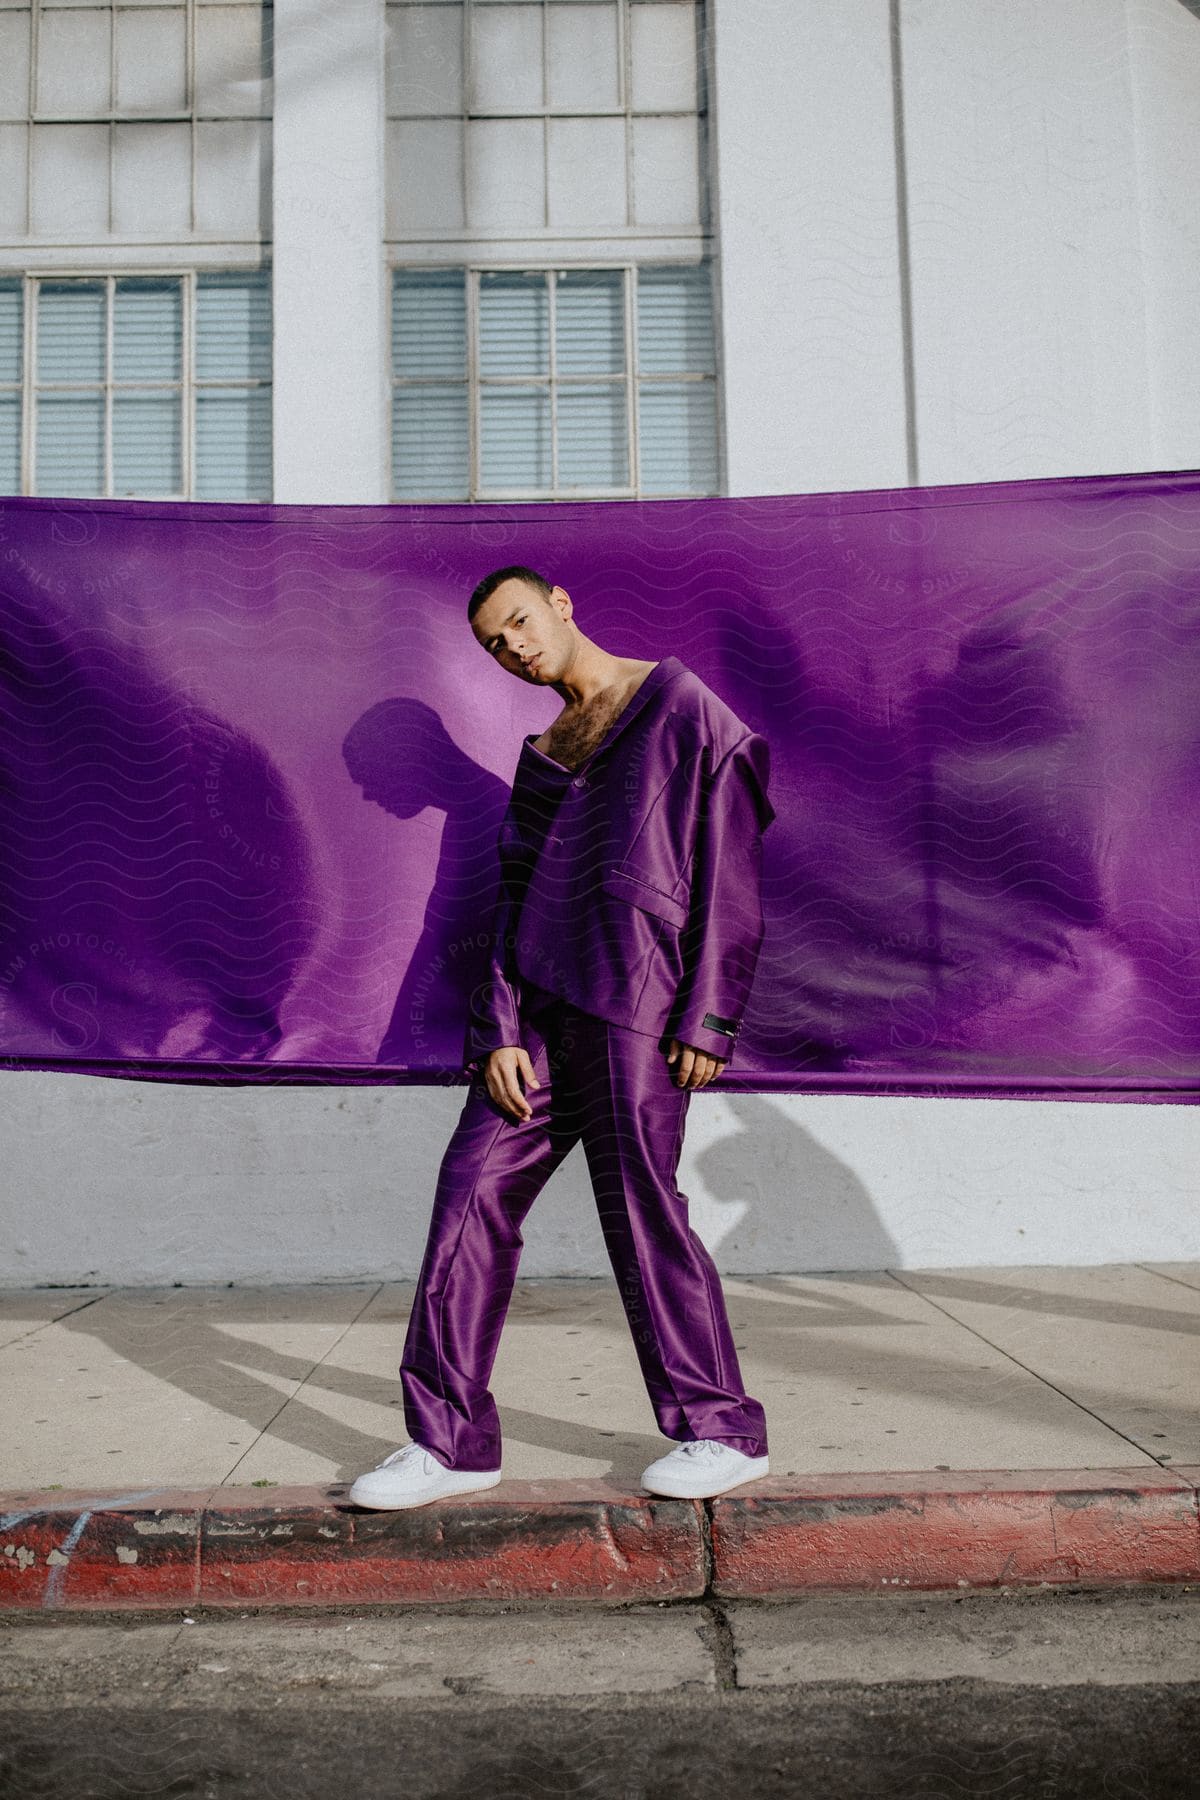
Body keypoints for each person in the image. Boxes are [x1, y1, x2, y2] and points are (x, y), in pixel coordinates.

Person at [349, 565, 776, 1510]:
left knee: (640, 1213)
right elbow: (512, 902)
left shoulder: (682, 708)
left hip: (642, 1006)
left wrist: (708, 1013)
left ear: (560, 605)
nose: (515, 649)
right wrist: (497, 1027)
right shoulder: (543, 751)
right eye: (496, 646)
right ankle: (449, 1444)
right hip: (538, 1016)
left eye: (520, 624)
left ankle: (720, 1430)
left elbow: (731, 873)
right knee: (468, 1199)